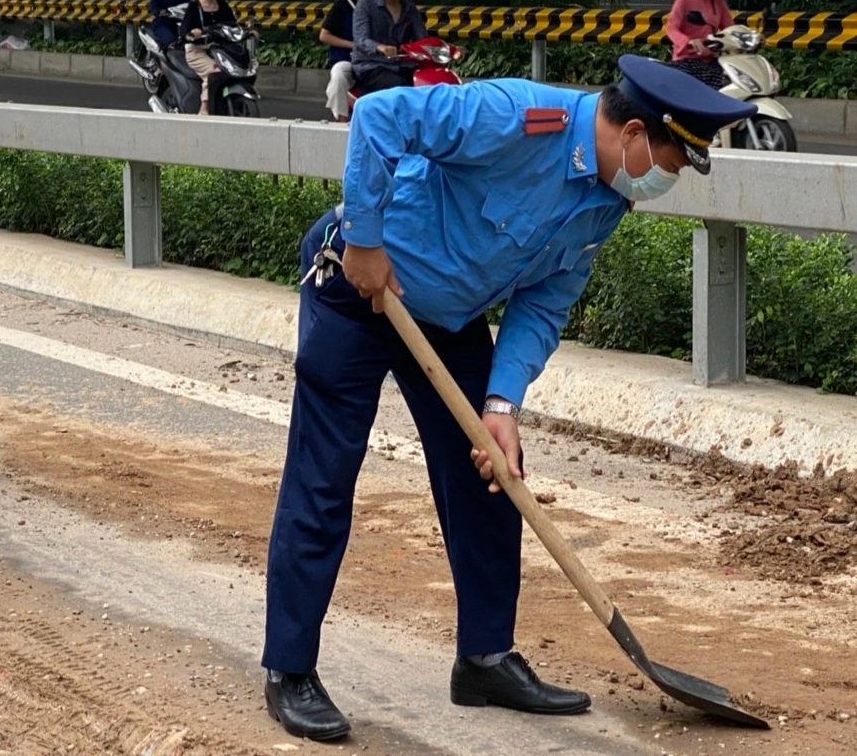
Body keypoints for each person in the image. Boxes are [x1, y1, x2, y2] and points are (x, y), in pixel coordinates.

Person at [261, 55, 757, 741]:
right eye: (675, 160)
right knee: (325, 479)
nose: (668, 178)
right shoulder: (517, 116)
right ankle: (290, 670)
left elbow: (543, 302)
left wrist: (502, 405)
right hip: (359, 292)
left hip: (452, 322)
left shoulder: (607, 197)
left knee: (491, 477)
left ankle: (485, 658)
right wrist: (368, 244)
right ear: (637, 133)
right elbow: (379, 117)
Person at [351, 0, 426, 95]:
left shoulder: (409, 7)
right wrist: (380, 47)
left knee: (429, 88)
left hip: (403, 66)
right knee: (401, 88)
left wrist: (446, 49)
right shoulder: (366, 3)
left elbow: (422, 38)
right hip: (372, 66)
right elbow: (361, 39)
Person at [666, 0, 733, 90]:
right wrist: (688, 41)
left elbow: (731, 28)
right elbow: (671, 29)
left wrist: (751, 37)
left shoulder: (718, 2)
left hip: (712, 59)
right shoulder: (684, 1)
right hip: (687, 60)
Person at [320, 0, 372, 122]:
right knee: (338, 77)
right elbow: (324, 35)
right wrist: (354, 46)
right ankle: (341, 120)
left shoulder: (376, 3)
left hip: (373, 60)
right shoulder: (342, 3)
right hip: (347, 60)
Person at [182, 0, 237, 116]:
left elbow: (233, 25)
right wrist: (192, 33)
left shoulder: (223, 6)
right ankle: (204, 107)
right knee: (214, 72)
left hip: (219, 49)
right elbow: (184, 31)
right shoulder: (194, 7)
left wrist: (248, 31)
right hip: (197, 50)